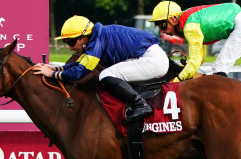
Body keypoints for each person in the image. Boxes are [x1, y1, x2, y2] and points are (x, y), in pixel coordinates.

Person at [30, 15, 167, 122]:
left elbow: (80, 72)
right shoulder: (97, 38)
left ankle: (140, 104)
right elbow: (79, 64)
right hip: (147, 57)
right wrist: (54, 69)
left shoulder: (97, 42)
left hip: (152, 60)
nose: (71, 48)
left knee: (106, 75)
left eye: (71, 42)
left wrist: (52, 75)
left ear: (84, 38)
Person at [150, 1, 241, 81]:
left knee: (220, 67)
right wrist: (187, 67)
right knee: (218, 66)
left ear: (173, 19)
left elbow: (196, 60)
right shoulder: (188, 20)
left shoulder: (190, 27)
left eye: (162, 25)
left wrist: (177, 80)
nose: (162, 31)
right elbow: (201, 58)